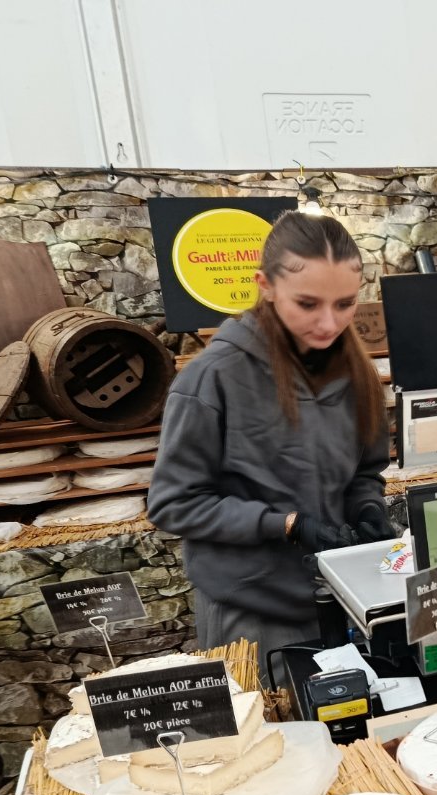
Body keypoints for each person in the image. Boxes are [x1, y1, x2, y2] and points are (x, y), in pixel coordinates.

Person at [148, 211, 393, 669]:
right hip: (252, 615)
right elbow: (172, 503)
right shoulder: (212, 378)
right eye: (307, 304)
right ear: (265, 285)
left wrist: (368, 509)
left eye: (344, 304)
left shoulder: (359, 373)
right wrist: (287, 525)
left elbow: (365, 471)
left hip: (341, 601)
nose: (328, 323)